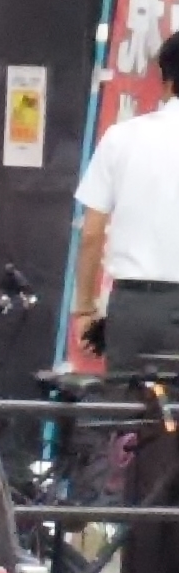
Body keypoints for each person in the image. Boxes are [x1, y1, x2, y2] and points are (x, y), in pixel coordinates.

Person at [72, 28, 179, 373]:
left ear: (165, 80)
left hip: (133, 307)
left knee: (126, 415)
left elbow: (91, 234)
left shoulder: (121, 138)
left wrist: (85, 310)